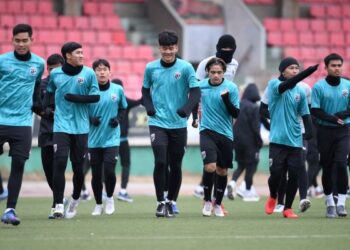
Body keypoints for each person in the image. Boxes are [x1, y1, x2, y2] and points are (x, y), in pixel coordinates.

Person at [142, 30, 200, 218]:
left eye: (171, 48)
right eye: (164, 48)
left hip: (178, 124)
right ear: (159, 48)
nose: (168, 51)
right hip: (157, 122)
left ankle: (172, 201)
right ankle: (160, 202)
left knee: (175, 165)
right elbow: (145, 90)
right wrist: (149, 106)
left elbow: (196, 92)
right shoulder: (151, 68)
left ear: (176, 47)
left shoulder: (186, 68)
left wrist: (187, 108)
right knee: (160, 162)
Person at [46, 42, 100, 219]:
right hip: (61, 126)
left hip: (81, 128)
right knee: (59, 163)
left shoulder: (89, 74)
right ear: (68, 56)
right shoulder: (56, 74)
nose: (82, 55)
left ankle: (75, 198)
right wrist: (48, 108)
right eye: (78, 53)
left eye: (82, 52)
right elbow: (49, 93)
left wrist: (75, 98)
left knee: (78, 169)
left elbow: (95, 97)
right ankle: (58, 205)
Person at [0, 24, 45, 226]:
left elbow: (36, 90)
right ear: (12, 40)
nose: (20, 44)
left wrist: (39, 107)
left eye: (24, 40)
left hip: (22, 122)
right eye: (17, 40)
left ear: (31, 40)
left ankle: (10, 209)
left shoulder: (39, 64)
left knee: (18, 164)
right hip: (0, 119)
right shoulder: (2, 61)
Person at [264, 57, 317, 219]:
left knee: (294, 174)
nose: (295, 71)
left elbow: (305, 114)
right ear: (282, 70)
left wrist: (309, 132)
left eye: (297, 68)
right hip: (278, 140)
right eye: (291, 68)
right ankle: (273, 195)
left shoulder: (300, 92)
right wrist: (307, 73)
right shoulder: (274, 85)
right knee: (276, 174)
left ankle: (288, 208)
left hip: (295, 139)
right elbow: (286, 85)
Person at [194, 34, 238, 199]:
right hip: (207, 111)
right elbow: (195, 87)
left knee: (222, 166)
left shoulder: (235, 64)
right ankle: (205, 194)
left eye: (230, 49)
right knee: (211, 163)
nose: (227, 52)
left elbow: (230, 86)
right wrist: (196, 112)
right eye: (223, 49)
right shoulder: (206, 63)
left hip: (225, 113)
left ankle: (217, 199)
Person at [198, 58, 240, 217]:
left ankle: (218, 203)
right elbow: (192, 99)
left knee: (222, 171)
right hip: (207, 131)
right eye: (213, 72)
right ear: (207, 72)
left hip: (226, 134)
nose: (216, 75)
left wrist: (226, 100)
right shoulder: (201, 86)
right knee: (210, 167)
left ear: (224, 73)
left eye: (219, 72)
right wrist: (194, 118)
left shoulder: (231, 88)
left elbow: (236, 113)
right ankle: (207, 201)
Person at [311, 53, 350, 218]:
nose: (337, 68)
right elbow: (315, 110)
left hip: (344, 130)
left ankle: (341, 202)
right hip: (325, 131)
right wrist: (333, 118)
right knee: (326, 167)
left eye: (339, 65)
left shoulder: (348, 85)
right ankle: (329, 202)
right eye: (333, 65)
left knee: (341, 164)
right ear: (326, 68)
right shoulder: (319, 87)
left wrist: (341, 115)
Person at [89, 59, 127, 216]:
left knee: (109, 171)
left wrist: (117, 119)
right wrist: (90, 119)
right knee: (96, 174)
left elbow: (123, 108)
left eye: (104, 69)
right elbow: (81, 110)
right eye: (98, 69)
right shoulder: (88, 91)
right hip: (93, 140)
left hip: (112, 138)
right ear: (94, 73)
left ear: (110, 72)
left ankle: (110, 197)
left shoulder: (117, 90)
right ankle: (98, 203)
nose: (102, 72)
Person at [37, 53, 65, 219]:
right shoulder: (42, 85)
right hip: (46, 131)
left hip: (62, 131)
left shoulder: (68, 83)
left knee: (58, 169)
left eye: (56, 69)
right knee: (48, 171)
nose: (53, 72)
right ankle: (60, 198)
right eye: (50, 69)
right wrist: (48, 112)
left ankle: (57, 204)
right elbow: (37, 104)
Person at [226, 83, 262, 202]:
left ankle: (232, 182)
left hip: (237, 140)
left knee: (241, 165)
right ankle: (247, 190)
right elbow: (255, 127)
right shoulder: (254, 107)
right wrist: (259, 141)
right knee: (251, 165)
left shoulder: (239, 105)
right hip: (250, 141)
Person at [112, 78, 142, 203]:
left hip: (109, 140)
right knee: (126, 164)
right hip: (122, 140)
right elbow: (140, 102)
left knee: (107, 166)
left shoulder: (107, 100)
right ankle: (123, 191)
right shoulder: (125, 101)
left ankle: (104, 192)